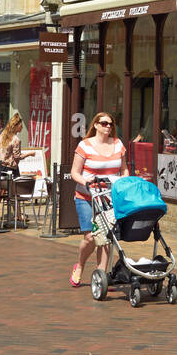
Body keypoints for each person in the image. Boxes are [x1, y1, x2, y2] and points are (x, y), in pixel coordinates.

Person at [69, 111, 128, 288]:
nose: (108, 126)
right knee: (90, 238)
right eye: (104, 123)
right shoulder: (84, 146)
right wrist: (85, 180)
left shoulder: (118, 144)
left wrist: (124, 180)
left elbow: (124, 169)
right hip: (87, 196)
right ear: (95, 125)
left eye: (110, 124)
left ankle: (100, 276)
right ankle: (80, 265)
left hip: (109, 198)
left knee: (105, 237)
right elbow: (74, 173)